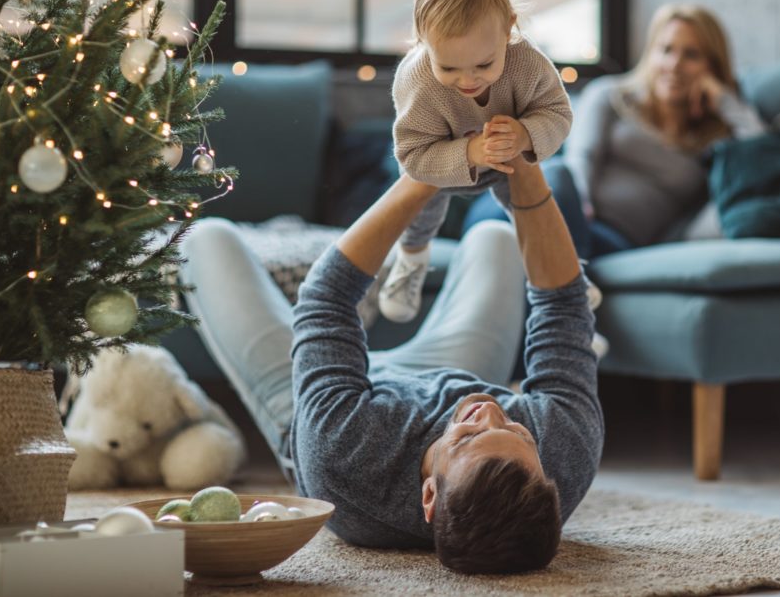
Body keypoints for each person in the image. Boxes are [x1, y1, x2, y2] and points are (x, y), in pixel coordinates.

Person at [179, 155, 604, 574]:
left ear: (429, 496)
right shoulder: (564, 456)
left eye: (467, 439)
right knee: (495, 236)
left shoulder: (344, 454)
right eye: (518, 433)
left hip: (317, 402)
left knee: (204, 236)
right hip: (449, 368)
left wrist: (429, 169)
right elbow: (565, 307)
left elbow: (327, 298)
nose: (492, 411)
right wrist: (521, 165)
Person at [463, 3, 767, 257]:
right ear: (651, 54)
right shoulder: (611, 95)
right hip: (540, 207)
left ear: (712, 66)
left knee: (550, 238)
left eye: (691, 55)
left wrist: (727, 101)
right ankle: (575, 308)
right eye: (666, 50)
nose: (674, 65)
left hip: (609, 239)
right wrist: (579, 204)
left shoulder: (715, 140)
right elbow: (582, 155)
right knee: (557, 177)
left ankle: (568, 307)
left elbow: (765, 159)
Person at [377, 0, 576, 324]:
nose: (468, 80)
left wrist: (524, 133)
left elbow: (558, 113)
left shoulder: (527, 61)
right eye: (448, 67)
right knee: (420, 209)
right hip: (437, 161)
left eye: (484, 65)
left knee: (534, 208)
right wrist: (469, 151)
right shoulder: (417, 81)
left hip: (507, 159)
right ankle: (411, 259)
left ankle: (565, 278)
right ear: (422, 42)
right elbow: (412, 155)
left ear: (509, 30)